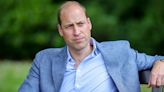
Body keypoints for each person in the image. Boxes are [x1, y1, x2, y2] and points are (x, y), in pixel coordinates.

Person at [19, 1, 164, 92]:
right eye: (69, 26)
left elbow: (159, 59)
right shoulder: (44, 60)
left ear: (89, 24)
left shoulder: (120, 52)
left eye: (80, 24)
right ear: (60, 30)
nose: (77, 32)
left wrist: (161, 63)